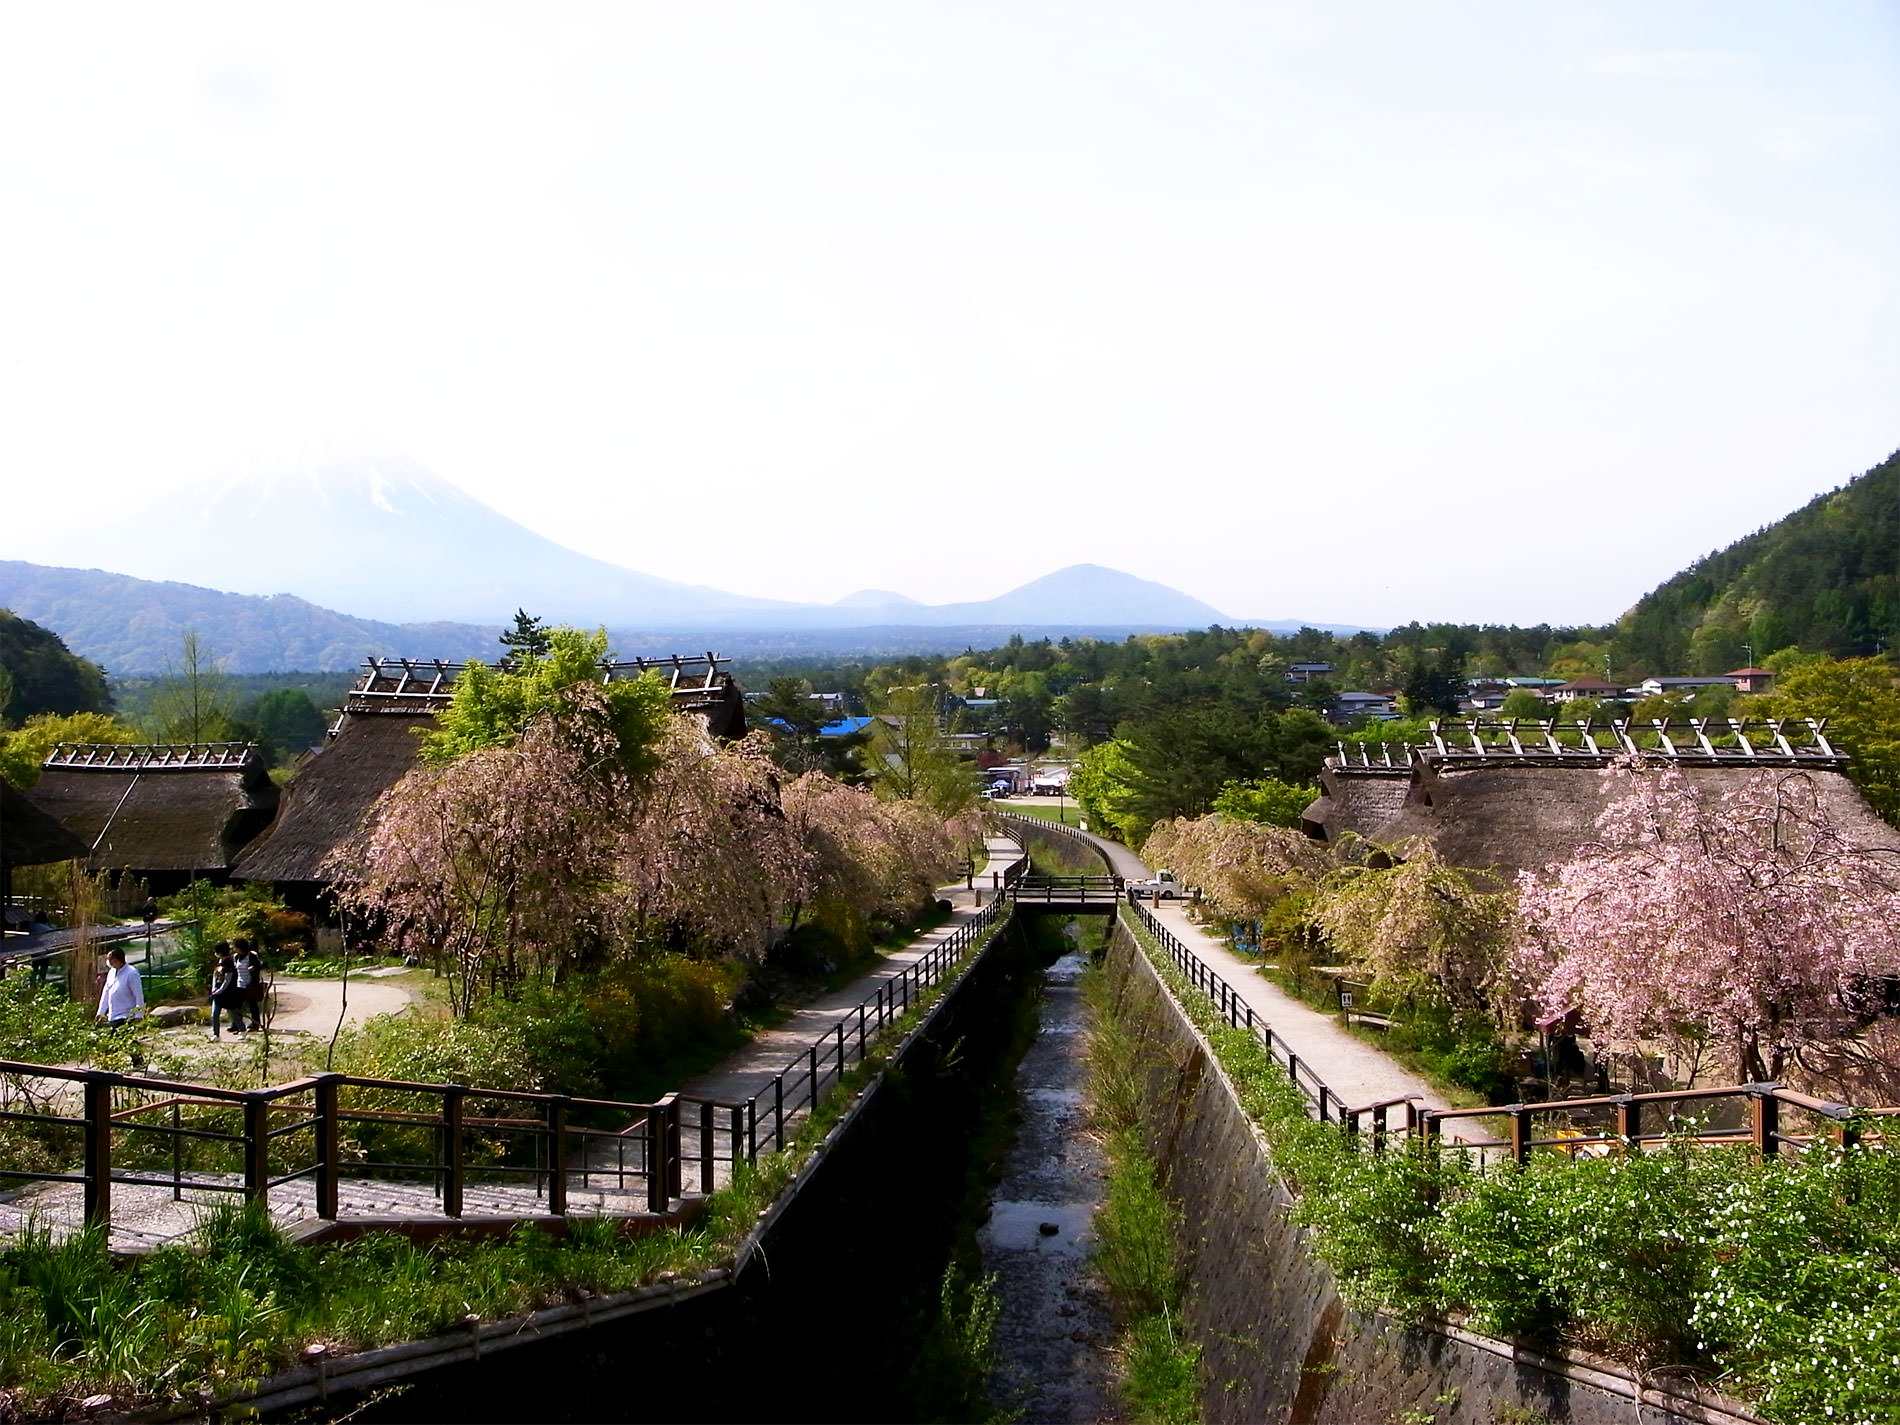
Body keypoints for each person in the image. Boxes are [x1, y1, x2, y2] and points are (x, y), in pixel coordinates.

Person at [96, 947, 145, 1028]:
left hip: (126, 1016)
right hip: (113, 1016)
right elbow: (106, 993)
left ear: (117, 960)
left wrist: (139, 1015)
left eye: (111, 960)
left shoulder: (131, 973)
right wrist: (100, 1012)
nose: (109, 963)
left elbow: (139, 995)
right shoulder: (112, 972)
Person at [233, 939, 266, 1032]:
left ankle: (255, 1025)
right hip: (240, 984)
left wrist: (254, 967)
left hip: (251, 984)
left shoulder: (252, 955)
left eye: (235, 947)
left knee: (253, 1005)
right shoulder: (236, 957)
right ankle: (238, 1025)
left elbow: (260, 965)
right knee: (237, 1006)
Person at [208, 945, 241, 1039]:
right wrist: (214, 988)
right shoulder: (219, 962)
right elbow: (215, 976)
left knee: (233, 1013)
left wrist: (220, 990)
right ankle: (216, 1034)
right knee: (214, 1014)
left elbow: (227, 980)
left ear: (220, 953)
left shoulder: (229, 963)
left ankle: (242, 1030)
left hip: (228, 993)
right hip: (217, 993)